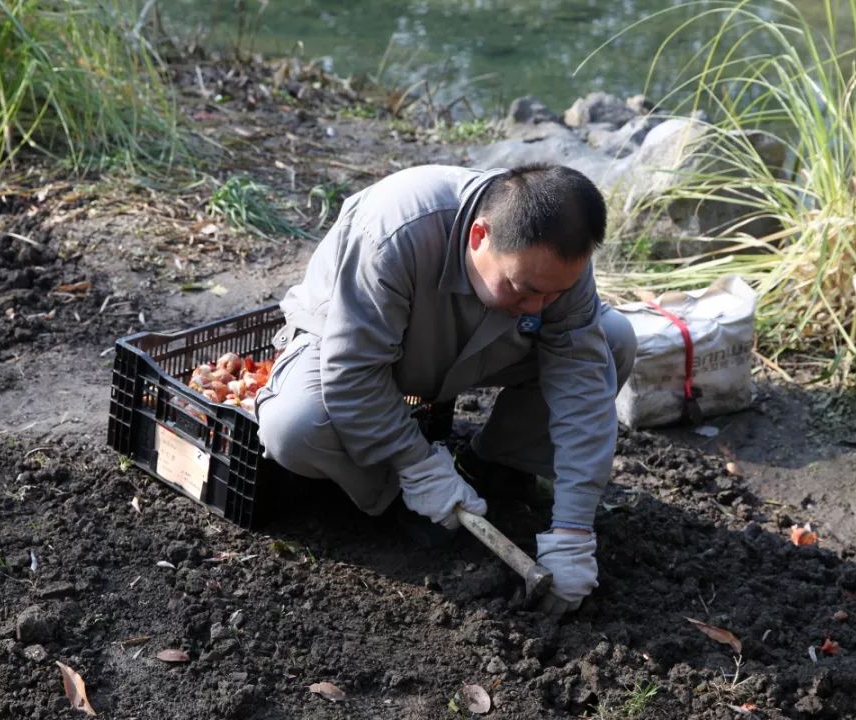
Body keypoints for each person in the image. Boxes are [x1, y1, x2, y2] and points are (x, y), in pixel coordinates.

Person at [255, 163, 637, 614]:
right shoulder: (394, 231)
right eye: (523, 288)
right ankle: (399, 492)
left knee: (612, 341)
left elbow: (582, 384)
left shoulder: (555, 264)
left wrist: (574, 529)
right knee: (293, 425)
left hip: (478, 345)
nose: (537, 306)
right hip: (366, 346)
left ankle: (495, 465)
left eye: (551, 296)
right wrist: (415, 464)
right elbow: (353, 372)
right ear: (479, 237)